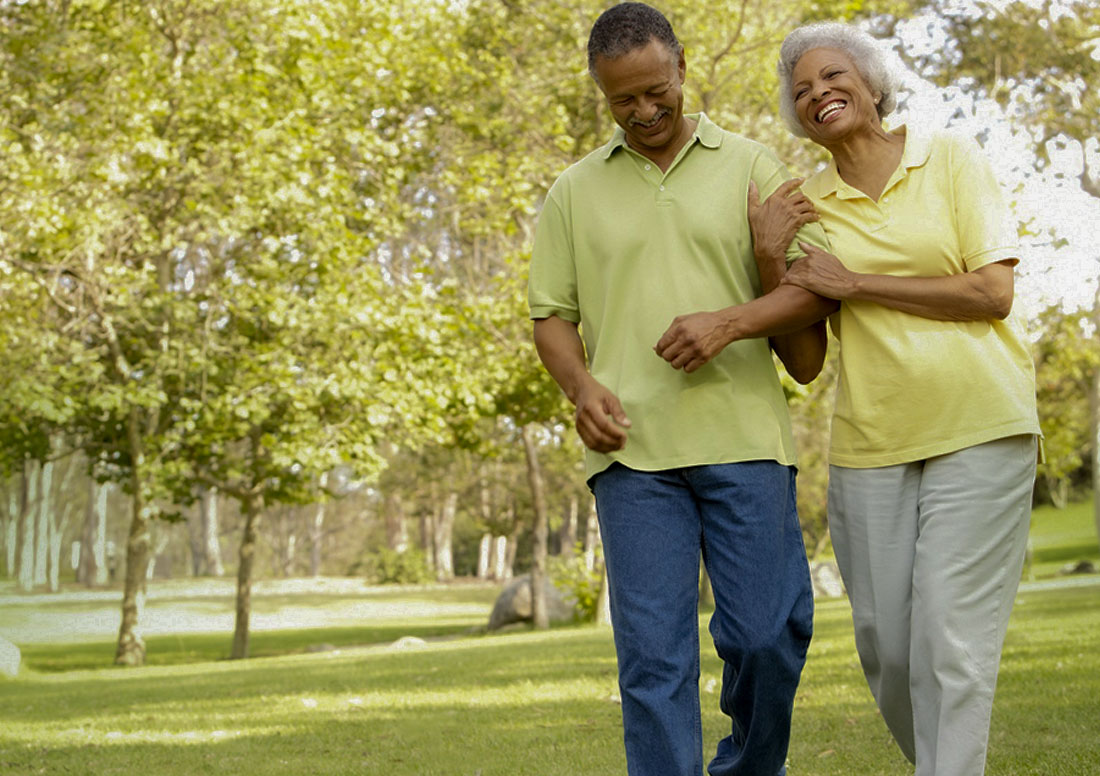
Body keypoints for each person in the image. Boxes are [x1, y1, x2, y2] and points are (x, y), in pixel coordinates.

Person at [528, 4, 837, 775]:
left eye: (655, 90)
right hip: (633, 458)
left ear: (683, 67)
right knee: (653, 664)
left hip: (745, 441)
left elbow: (815, 292)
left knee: (769, 635)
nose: (643, 111)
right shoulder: (573, 191)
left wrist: (727, 325)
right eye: (621, 100)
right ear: (601, 95)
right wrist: (580, 388)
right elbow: (552, 321)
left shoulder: (752, 166)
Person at [754, 21, 1042, 776]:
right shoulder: (805, 207)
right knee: (885, 645)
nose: (818, 92)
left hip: (980, 424)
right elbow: (808, 360)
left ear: (872, 82)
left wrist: (857, 286)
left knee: (951, 638)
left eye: (832, 76)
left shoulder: (948, 158)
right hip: (871, 443)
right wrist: (766, 258)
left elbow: (992, 291)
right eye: (802, 88)